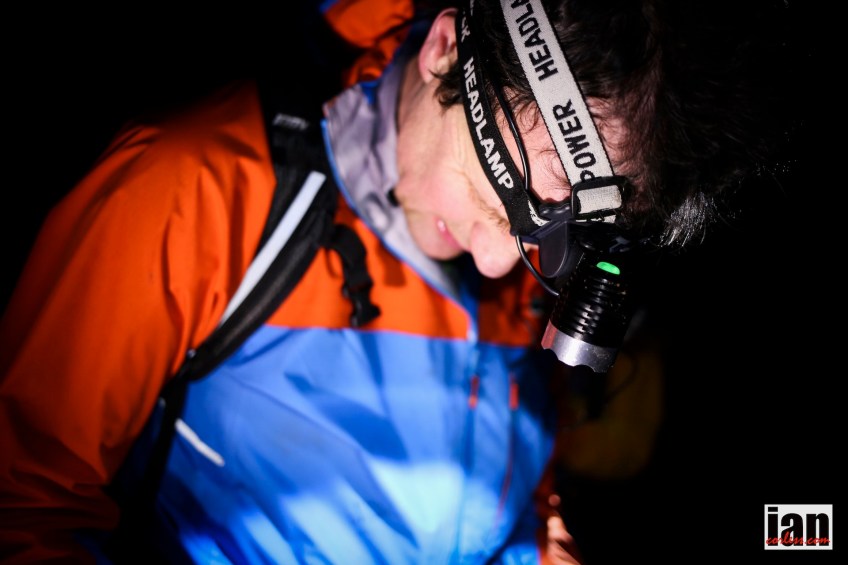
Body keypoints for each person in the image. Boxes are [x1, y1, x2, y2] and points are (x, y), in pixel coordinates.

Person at [0, 0, 790, 563]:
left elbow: (514, 480)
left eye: (555, 240)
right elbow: (21, 509)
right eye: (497, 199)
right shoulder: (189, 193)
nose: (498, 262)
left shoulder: (527, 260)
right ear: (446, 48)